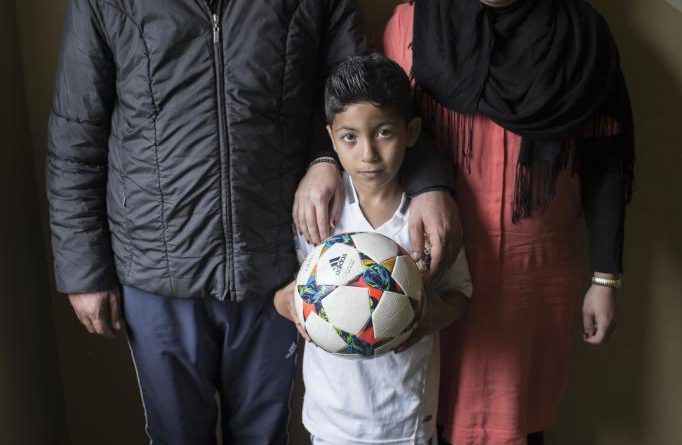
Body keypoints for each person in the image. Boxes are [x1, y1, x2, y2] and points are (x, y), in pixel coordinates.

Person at [45, 1, 463, 444]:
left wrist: (425, 180)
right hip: (156, 269)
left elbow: (364, 97)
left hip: (271, 262)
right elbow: (76, 132)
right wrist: (84, 271)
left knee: (263, 436)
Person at [382, 1, 635, 445]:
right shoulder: (416, 21)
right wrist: (429, 184)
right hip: (435, 264)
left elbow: (606, 163)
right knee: (426, 413)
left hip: (535, 278)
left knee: (519, 420)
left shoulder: (583, 36)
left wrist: (605, 276)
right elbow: (382, 127)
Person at [275, 54, 473, 445]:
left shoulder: (428, 219)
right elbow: (282, 295)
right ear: (332, 139)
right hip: (331, 422)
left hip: (407, 422)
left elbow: (459, 294)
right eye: (350, 137)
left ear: (411, 132)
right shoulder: (319, 211)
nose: (368, 153)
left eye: (384, 133)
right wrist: (299, 306)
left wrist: (423, 313)